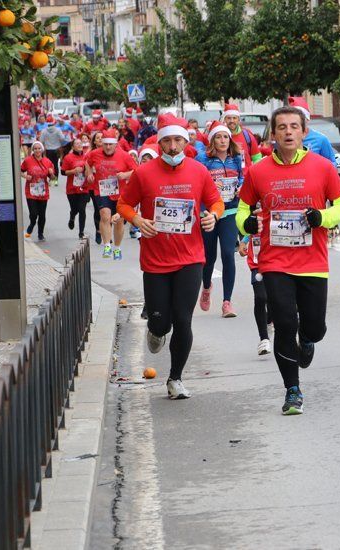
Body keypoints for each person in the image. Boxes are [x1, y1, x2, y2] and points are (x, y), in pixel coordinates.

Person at [236, 106, 340, 415]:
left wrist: (321, 217)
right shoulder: (258, 171)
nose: (288, 132)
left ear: (303, 132)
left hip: (313, 260)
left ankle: (309, 338)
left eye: (294, 127)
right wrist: (246, 225)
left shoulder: (322, 167)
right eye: (282, 127)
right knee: (285, 324)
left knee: (315, 328)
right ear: (273, 134)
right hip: (275, 261)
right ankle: (292, 390)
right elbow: (243, 209)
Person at [118, 113, 224, 399]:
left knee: (183, 320)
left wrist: (213, 216)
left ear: (186, 141)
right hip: (155, 260)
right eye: (167, 141)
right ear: (160, 142)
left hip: (190, 257)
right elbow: (124, 204)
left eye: (178, 140)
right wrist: (138, 221)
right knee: (161, 322)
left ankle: (175, 378)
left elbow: (216, 200)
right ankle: (155, 328)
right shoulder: (144, 173)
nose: (173, 146)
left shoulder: (199, 171)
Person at [194, 122, 244, 317]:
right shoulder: (203, 159)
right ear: (212, 140)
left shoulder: (236, 158)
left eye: (225, 137)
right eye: (218, 137)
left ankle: (227, 302)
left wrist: (241, 186)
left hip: (230, 211)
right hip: (208, 214)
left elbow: (242, 177)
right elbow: (196, 181)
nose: (223, 140)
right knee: (209, 257)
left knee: (227, 254)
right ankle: (206, 288)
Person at [86, 128, 137, 259]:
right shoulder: (95, 154)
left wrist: (125, 174)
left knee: (119, 221)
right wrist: (90, 173)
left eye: (110, 144)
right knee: (105, 215)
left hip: (120, 193)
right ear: (101, 143)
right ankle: (107, 245)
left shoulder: (124, 156)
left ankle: (117, 248)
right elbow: (87, 162)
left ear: (115, 144)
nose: (108, 147)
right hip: (102, 191)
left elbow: (136, 171)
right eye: (105, 144)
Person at [239, 224, 272, 356]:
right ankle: (264, 338)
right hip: (257, 263)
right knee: (260, 297)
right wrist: (244, 241)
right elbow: (250, 223)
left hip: (276, 260)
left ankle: (269, 320)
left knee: (273, 298)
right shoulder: (253, 205)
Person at [20, 141, 54, 241]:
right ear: (33, 150)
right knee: (34, 213)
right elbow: (20, 171)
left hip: (43, 191)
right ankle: (32, 223)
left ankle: (40, 233)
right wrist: (25, 176)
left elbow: (52, 178)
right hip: (31, 191)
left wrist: (51, 174)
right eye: (35, 149)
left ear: (42, 149)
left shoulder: (48, 162)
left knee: (42, 214)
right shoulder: (28, 160)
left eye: (39, 148)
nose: (37, 150)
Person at [288, 97, 337, 163]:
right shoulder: (285, 139)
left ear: (307, 119)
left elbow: (331, 164)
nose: (298, 122)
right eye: (293, 119)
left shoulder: (321, 139)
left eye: (302, 119)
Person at [62, 138, 89, 239]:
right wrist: (73, 171)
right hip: (72, 188)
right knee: (75, 209)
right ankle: (72, 216)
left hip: (84, 187)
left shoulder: (87, 156)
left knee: (82, 209)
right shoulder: (68, 157)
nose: (79, 145)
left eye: (80, 143)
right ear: (73, 146)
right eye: (76, 144)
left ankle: (81, 232)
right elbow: (63, 172)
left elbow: (91, 169)